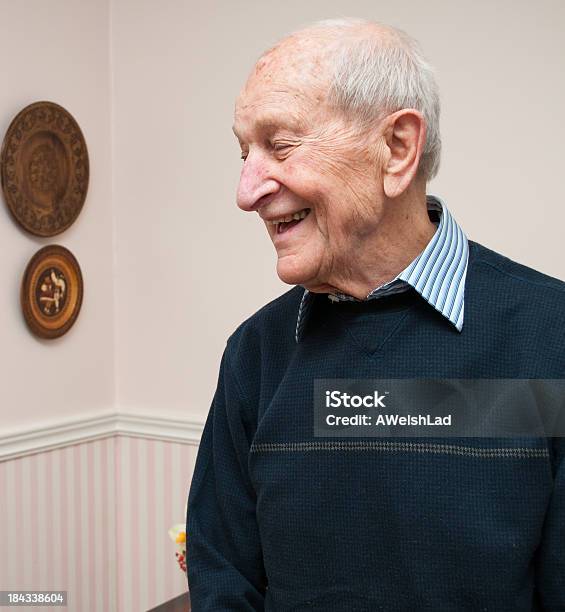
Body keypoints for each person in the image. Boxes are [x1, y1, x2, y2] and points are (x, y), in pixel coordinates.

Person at [186, 18, 565, 610]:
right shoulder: (255, 354)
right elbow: (223, 579)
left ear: (396, 149)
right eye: (243, 153)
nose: (246, 190)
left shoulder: (551, 338)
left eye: (280, 146)